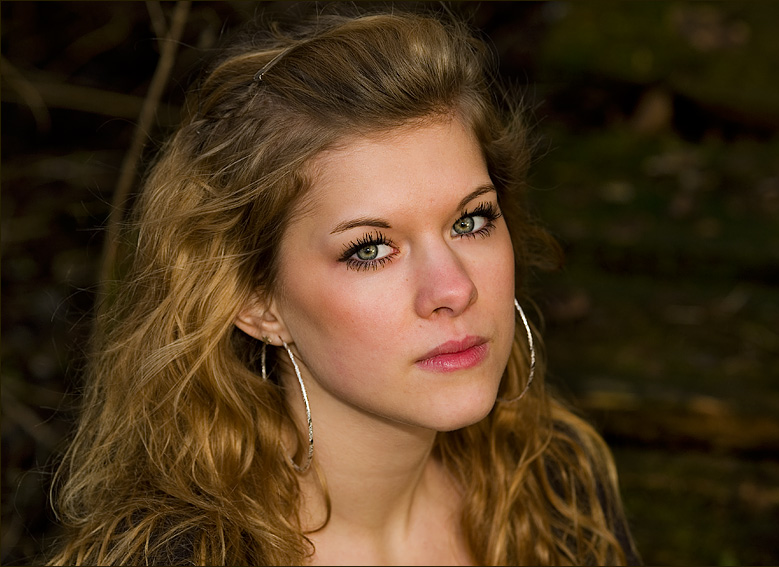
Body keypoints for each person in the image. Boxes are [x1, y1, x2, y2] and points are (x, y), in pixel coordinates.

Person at [48, 6, 641, 565]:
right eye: (370, 250)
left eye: (470, 221)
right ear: (255, 302)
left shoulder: (557, 493)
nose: (453, 289)